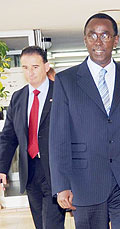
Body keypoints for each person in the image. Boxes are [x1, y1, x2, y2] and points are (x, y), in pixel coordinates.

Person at [49, 13, 120, 229]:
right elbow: (58, 137)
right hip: (85, 181)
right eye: (92, 36)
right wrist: (61, 184)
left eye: (105, 36)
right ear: (85, 39)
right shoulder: (66, 81)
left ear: (115, 40)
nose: (98, 42)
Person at [0, 46, 65, 229]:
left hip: (55, 171)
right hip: (30, 172)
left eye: (35, 67)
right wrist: (2, 168)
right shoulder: (18, 98)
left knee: (52, 224)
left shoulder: (61, 94)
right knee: (40, 224)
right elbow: (8, 137)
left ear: (46, 66)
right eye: (25, 68)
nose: (30, 72)